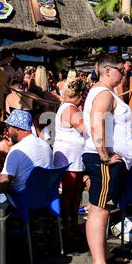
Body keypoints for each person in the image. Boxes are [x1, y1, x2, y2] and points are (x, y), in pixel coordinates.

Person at [82, 54, 132, 264]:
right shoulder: (104, 93)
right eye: (121, 70)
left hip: (105, 158)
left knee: (102, 209)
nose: (124, 73)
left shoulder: (106, 92)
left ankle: (104, 255)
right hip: (101, 158)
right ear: (107, 70)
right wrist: (104, 155)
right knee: (99, 210)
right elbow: (97, 122)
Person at [53, 78, 86, 239]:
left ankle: (72, 222)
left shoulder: (66, 107)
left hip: (72, 157)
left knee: (75, 193)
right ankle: (67, 225)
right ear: (80, 95)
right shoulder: (71, 110)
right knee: (69, 193)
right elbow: (85, 130)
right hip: (70, 158)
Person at [0, 109, 53, 195]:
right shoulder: (46, 145)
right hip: (45, 197)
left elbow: (2, 185)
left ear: (17, 128)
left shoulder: (17, 150)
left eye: (8, 126)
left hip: (22, 199)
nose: (8, 131)